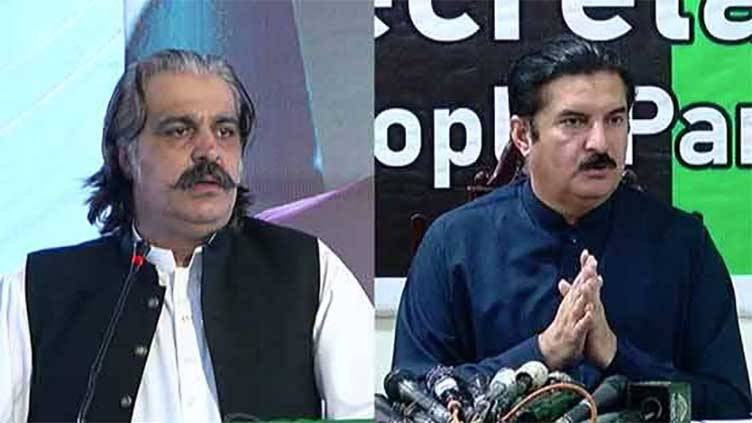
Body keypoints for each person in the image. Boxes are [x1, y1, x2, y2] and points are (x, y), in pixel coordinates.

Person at [0, 49, 373, 422]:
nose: (209, 151)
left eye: (225, 131)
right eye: (180, 131)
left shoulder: (308, 270)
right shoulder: (37, 290)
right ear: (125, 157)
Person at [391, 35, 751, 419]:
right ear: (523, 136)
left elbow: (730, 406)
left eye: (615, 119)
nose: (600, 142)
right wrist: (541, 353)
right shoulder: (454, 243)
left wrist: (617, 355)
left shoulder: (683, 244)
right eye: (574, 122)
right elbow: (411, 396)